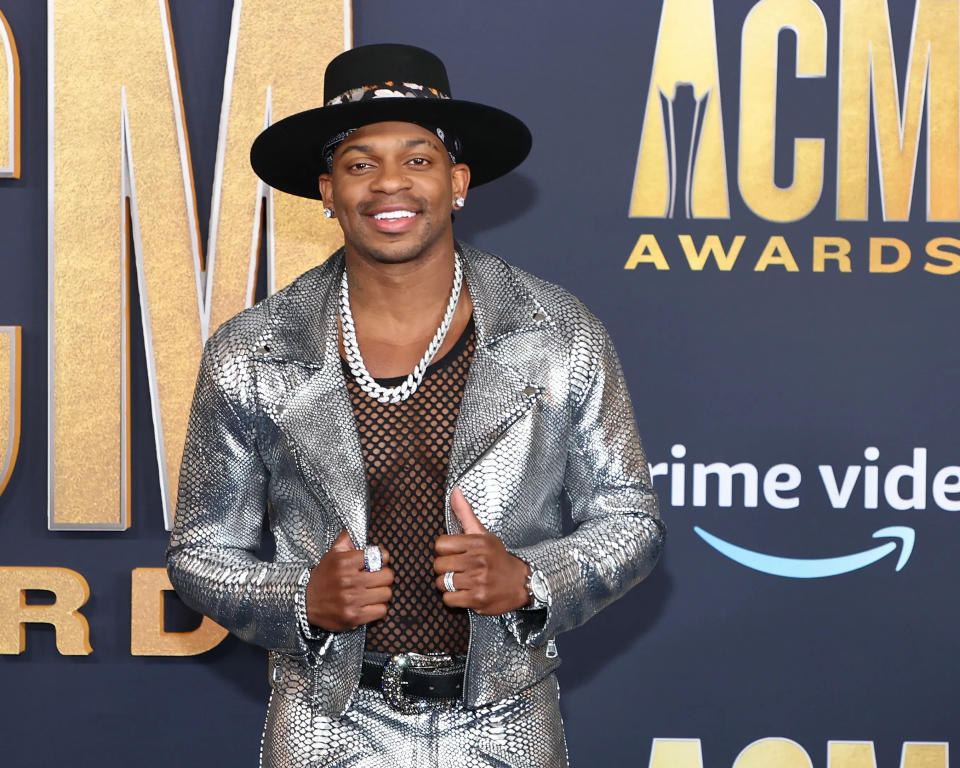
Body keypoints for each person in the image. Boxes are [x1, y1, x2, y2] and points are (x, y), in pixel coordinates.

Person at [167, 43, 664, 768]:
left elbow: (631, 518)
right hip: (326, 724)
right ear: (327, 191)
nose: (388, 185)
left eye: (418, 159)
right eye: (359, 164)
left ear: (458, 181)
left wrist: (529, 579)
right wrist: (300, 599)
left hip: (504, 721)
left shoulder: (558, 333)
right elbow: (199, 552)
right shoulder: (254, 351)